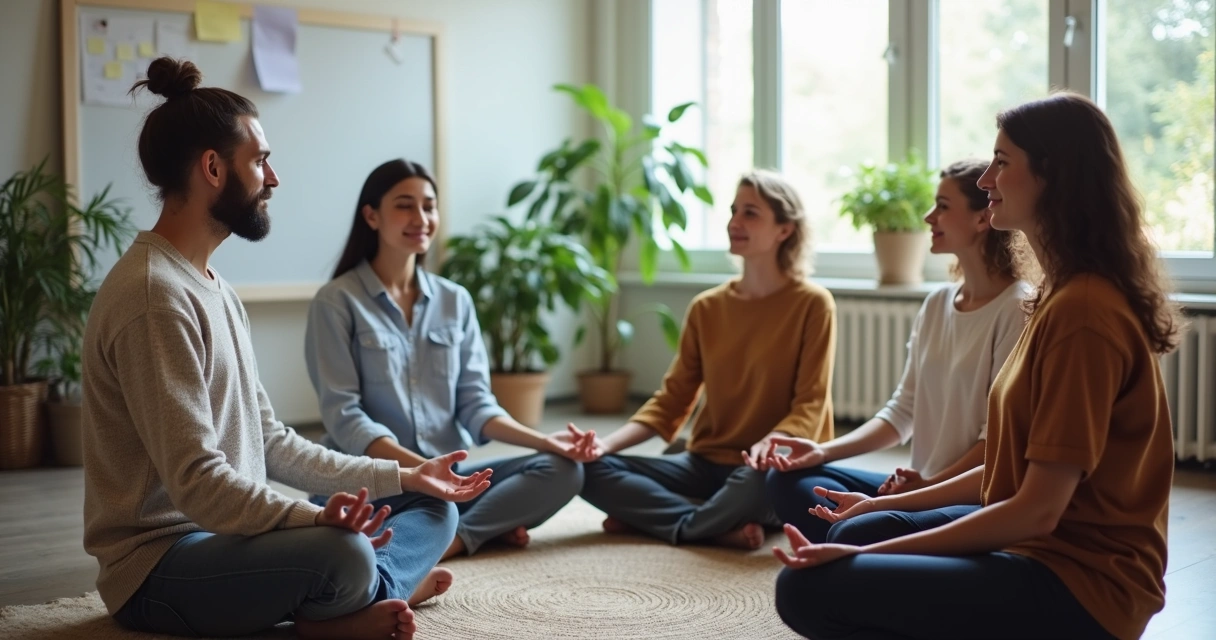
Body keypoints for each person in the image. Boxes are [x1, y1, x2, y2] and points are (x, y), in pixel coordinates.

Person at [81, 58, 493, 640]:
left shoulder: (213, 288)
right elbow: (197, 484)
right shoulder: (155, 298)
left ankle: (362, 594)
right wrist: (316, 518)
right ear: (213, 168)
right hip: (160, 567)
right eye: (261, 160)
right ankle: (346, 606)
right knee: (344, 553)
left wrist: (408, 475)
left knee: (433, 506)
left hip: (228, 539)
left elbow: (271, 441)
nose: (273, 179)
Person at [771, 93, 1180, 640]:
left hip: (1083, 586)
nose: (988, 180)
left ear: (1052, 177)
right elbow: (1008, 472)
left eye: (1002, 162)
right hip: (1033, 547)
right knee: (854, 534)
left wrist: (867, 550)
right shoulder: (1058, 296)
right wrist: (880, 505)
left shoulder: (1084, 313)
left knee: (810, 586)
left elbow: (1036, 511)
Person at [304, 158, 599, 559]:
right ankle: (470, 525)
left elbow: (476, 405)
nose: (421, 217)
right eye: (405, 205)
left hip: (444, 478)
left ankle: (454, 539)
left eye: (429, 206)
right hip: (371, 483)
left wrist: (548, 441)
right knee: (395, 518)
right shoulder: (336, 302)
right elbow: (345, 417)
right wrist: (419, 474)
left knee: (563, 470)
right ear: (371, 216)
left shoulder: (454, 301)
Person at [764, 159, 1030, 543]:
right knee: (787, 478)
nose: (928, 217)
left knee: (864, 526)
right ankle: (861, 544)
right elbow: (901, 411)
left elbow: (997, 445)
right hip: (918, 485)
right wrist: (821, 452)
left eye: (942, 206)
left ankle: (859, 543)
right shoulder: (938, 303)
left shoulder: (1015, 308)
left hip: (965, 496)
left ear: (981, 218)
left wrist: (923, 489)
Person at [579, 170, 836, 550]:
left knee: (763, 488)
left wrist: (773, 443)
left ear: (785, 230)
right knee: (586, 470)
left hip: (767, 468)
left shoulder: (813, 304)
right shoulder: (707, 307)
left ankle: (670, 519)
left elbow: (811, 403)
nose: (735, 223)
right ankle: (713, 525)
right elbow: (673, 399)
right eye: (734, 211)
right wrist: (604, 445)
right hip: (703, 463)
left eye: (751, 213)